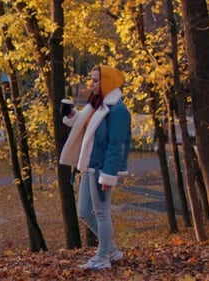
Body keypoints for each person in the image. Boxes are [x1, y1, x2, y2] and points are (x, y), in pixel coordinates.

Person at [59, 65, 131, 270]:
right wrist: (71, 114)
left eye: (96, 80)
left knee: (101, 212)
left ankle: (102, 257)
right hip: (88, 166)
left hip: (101, 169)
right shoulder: (96, 106)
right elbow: (83, 125)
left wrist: (108, 176)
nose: (91, 84)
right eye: (91, 80)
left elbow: (116, 146)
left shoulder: (117, 111)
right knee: (84, 211)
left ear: (107, 82)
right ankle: (112, 250)